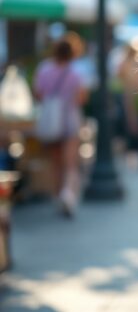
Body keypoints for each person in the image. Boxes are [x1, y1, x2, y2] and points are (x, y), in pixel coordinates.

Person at [33, 35, 88, 217]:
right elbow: (81, 98)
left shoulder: (44, 69)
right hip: (70, 120)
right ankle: (68, 194)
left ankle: (58, 197)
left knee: (56, 163)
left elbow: (38, 94)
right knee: (71, 164)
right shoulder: (75, 72)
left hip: (51, 121)